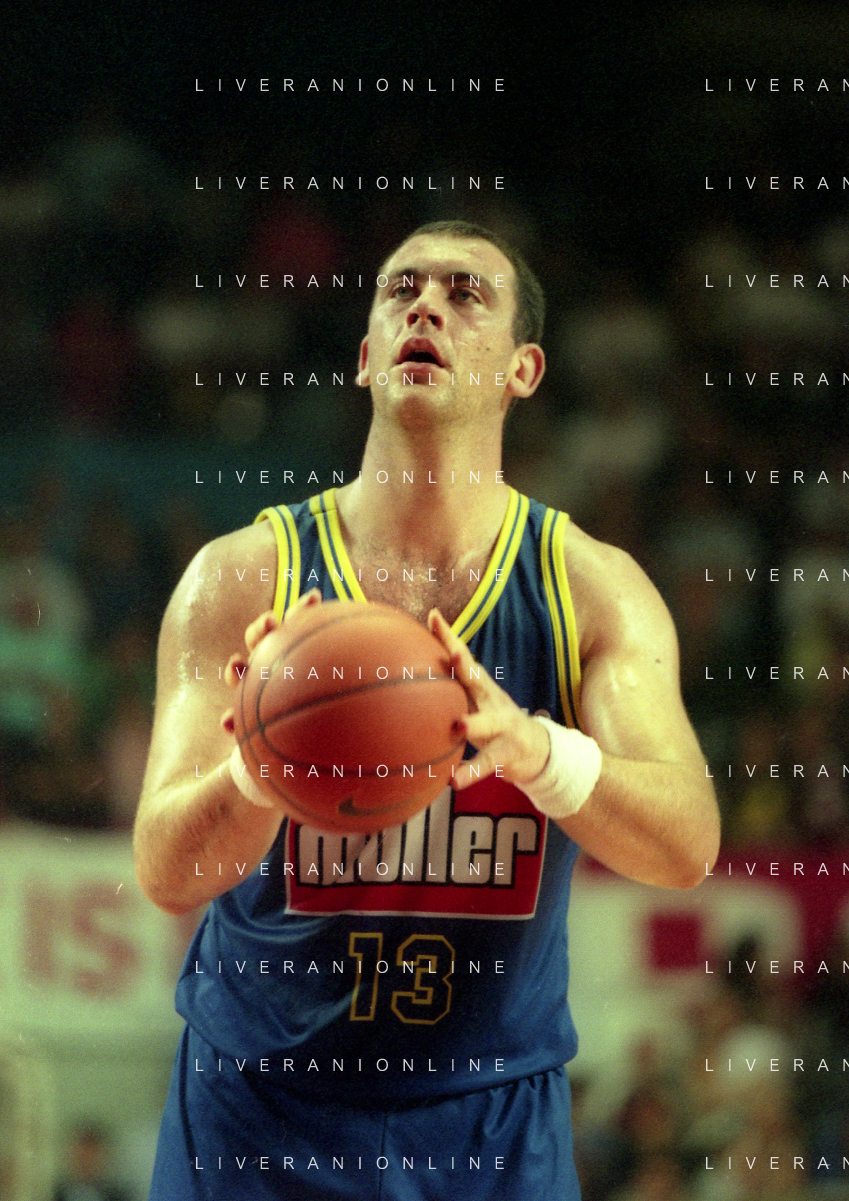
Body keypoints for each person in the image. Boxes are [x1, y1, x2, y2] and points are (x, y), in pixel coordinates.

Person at [135, 220, 720, 1199]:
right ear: (367, 356)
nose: (427, 308)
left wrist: (538, 750)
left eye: (465, 293)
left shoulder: (591, 590)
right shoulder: (240, 577)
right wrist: (257, 770)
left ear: (523, 370)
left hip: (489, 1118)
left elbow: (686, 843)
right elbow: (165, 869)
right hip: (257, 1107)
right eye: (401, 290)